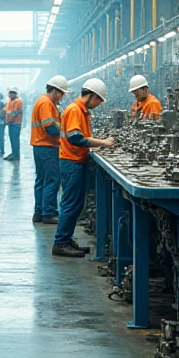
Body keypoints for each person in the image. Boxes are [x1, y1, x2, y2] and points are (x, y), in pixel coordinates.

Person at [53, 78, 115, 258]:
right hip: (71, 162)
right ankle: (60, 243)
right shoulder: (74, 110)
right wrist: (103, 143)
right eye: (98, 100)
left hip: (75, 160)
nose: (98, 104)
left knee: (75, 204)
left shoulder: (82, 111)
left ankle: (66, 239)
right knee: (70, 204)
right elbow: (75, 138)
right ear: (92, 95)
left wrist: (94, 143)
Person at [30, 76, 68, 224]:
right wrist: (67, 132)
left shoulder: (44, 101)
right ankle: (49, 213)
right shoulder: (46, 103)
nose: (62, 97)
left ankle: (39, 212)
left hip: (39, 147)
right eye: (62, 93)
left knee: (41, 180)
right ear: (55, 91)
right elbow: (51, 128)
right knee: (52, 180)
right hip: (47, 146)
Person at [3, 87, 24, 161]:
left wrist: (7, 121)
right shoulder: (10, 101)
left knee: (14, 140)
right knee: (12, 139)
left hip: (15, 123)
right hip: (12, 123)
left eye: (12, 93)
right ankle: (14, 153)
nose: (10, 94)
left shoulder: (17, 101)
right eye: (10, 93)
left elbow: (14, 113)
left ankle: (16, 155)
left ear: (15, 94)